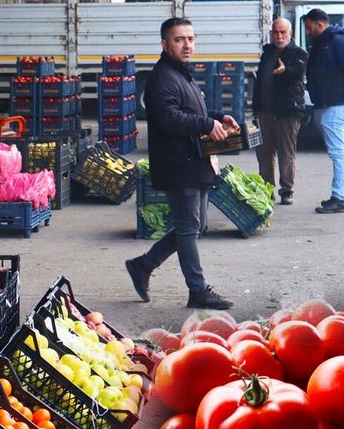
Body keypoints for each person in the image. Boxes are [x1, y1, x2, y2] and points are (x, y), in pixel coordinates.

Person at [125, 17, 239, 310]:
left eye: (190, 38)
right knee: (189, 227)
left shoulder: (181, 73)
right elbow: (169, 118)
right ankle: (197, 290)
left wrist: (217, 116)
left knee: (194, 226)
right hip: (178, 164)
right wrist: (206, 122)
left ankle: (143, 264)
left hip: (193, 160)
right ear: (165, 44)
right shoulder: (162, 77)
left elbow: (189, 107)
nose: (187, 44)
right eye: (179, 39)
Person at [304, 8, 344, 214]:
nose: (307, 31)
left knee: (337, 151)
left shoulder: (338, 41)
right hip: (327, 103)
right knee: (339, 150)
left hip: (335, 104)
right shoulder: (323, 42)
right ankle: (343, 194)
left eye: (308, 26)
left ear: (319, 24)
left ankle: (338, 197)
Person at [252, 18, 308, 205]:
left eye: (283, 32)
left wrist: (285, 70)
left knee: (286, 153)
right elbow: (259, 81)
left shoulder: (298, 53)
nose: (279, 36)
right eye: (276, 32)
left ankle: (286, 190)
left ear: (290, 34)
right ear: (271, 34)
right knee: (264, 155)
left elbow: (297, 72)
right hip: (264, 113)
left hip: (287, 114)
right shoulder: (267, 52)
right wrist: (256, 109)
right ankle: (267, 190)